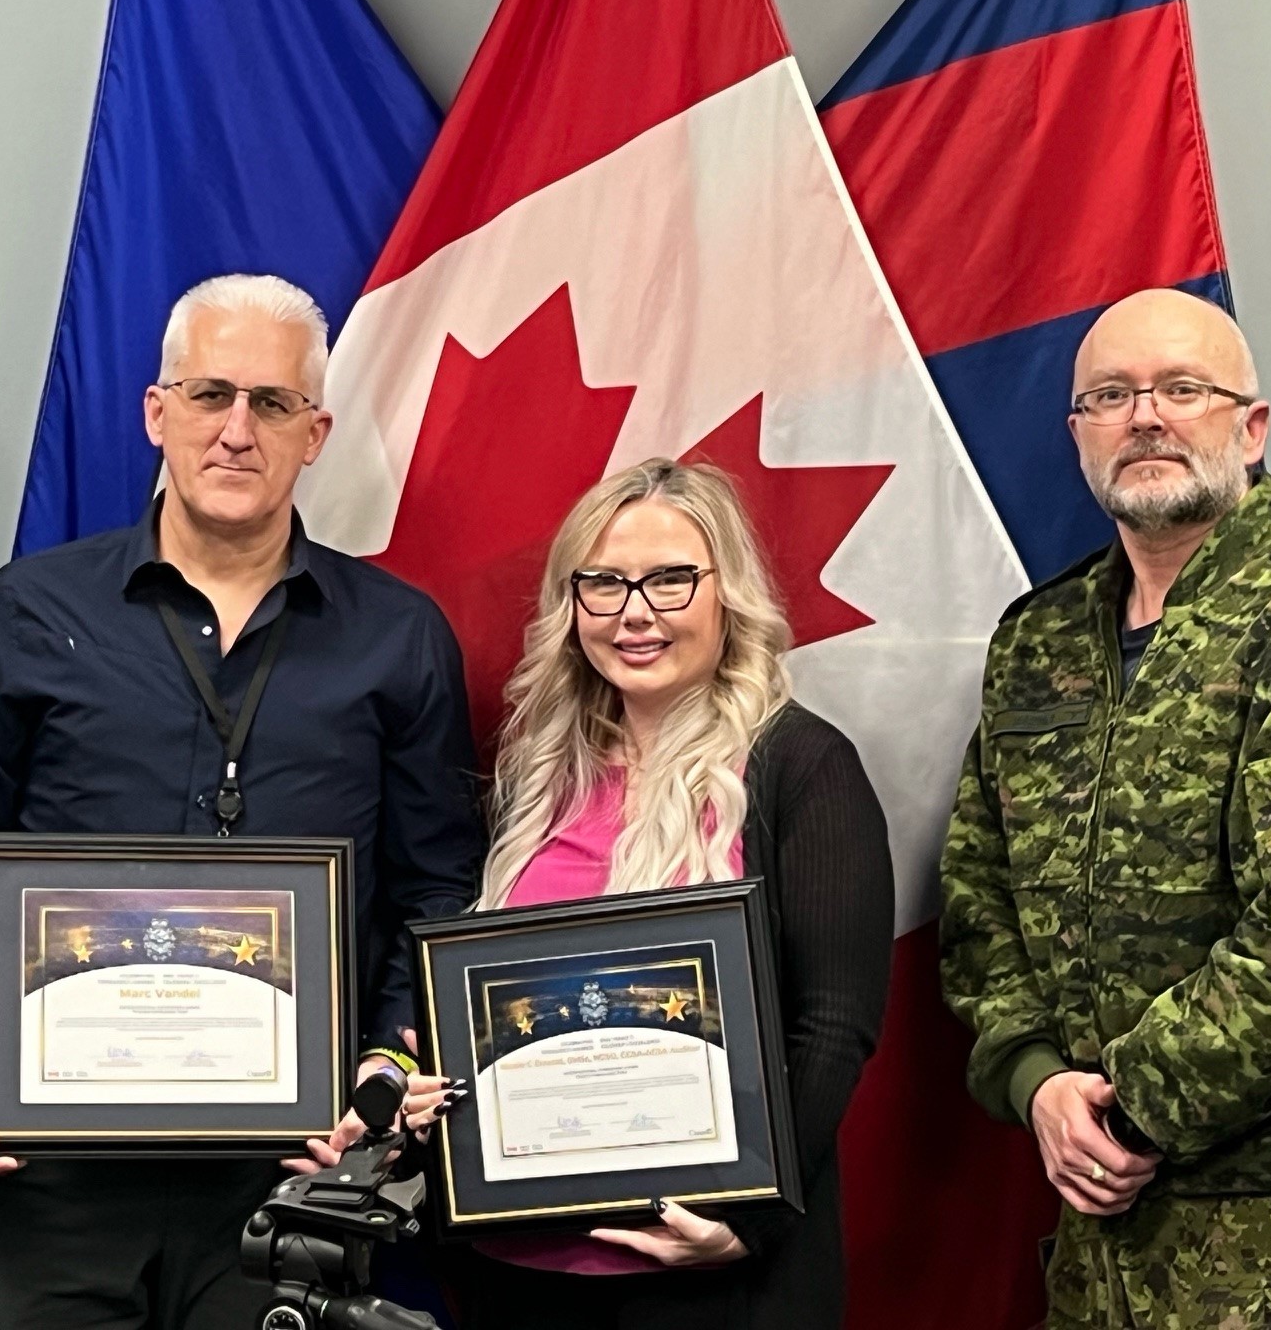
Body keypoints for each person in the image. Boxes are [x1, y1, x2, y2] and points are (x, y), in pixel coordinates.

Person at [0, 272, 485, 1330]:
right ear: (156, 412)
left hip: (287, 1179)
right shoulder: (32, 610)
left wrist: (389, 1056)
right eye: (210, 395)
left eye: (273, 404)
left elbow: (435, 883)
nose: (237, 431)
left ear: (317, 433)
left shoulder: (400, 638)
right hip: (47, 1174)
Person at [940, 287, 1271, 1327]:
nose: (1145, 417)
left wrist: (1126, 1117)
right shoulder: (1040, 644)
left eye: (1183, 389)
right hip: (1092, 1236)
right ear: (1079, 433)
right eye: (1112, 396)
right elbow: (977, 893)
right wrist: (1038, 1082)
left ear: (1250, 428)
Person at [370, 458, 894, 1330]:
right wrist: (437, 1088)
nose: (635, 612)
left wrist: (747, 1220)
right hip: (516, 1273)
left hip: (703, 1278)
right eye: (605, 583)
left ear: (729, 594)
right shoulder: (533, 781)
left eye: (671, 580)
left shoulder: (801, 767)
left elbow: (834, 1025)